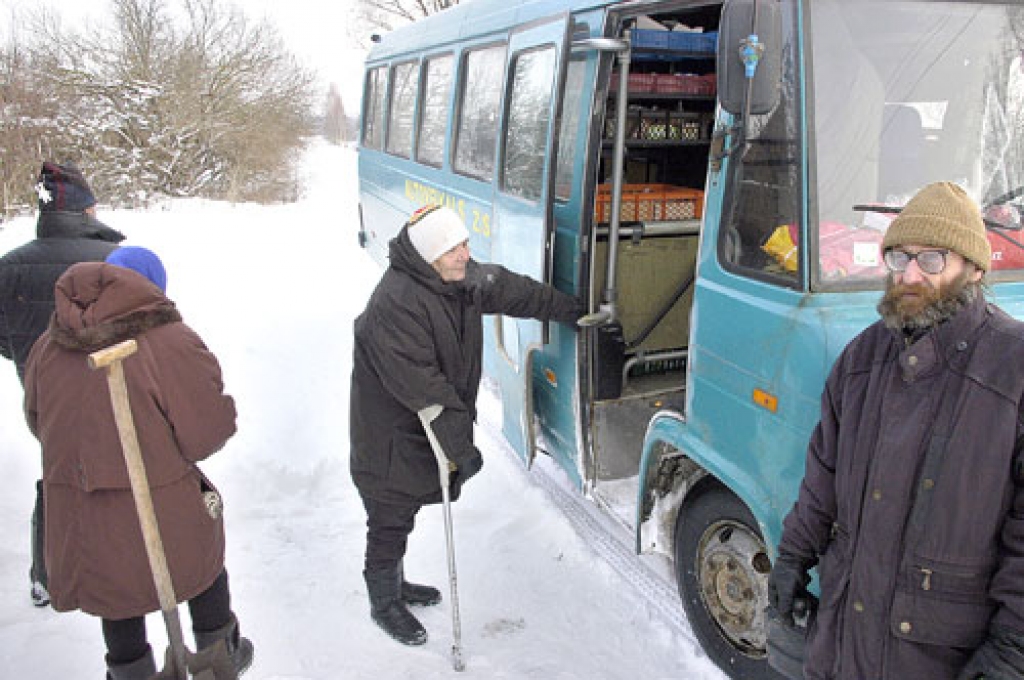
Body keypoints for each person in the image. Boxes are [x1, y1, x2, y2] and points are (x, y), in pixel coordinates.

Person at [767, 182, 1024, 679]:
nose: (909, 274)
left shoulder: (1012, 369)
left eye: (931, 259)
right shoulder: (861, 359)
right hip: (843, 641)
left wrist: (1013, 646)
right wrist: (793, 556)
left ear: (973, 268)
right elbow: (822, 478)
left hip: (937, 656)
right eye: (899, 256)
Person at [350, 205, 581, 646]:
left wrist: (571, 309)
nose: (465, 255)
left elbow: (512, 290)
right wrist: (462, 452)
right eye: (453, 249)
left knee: (403, 512)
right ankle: (384, 601)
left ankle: (396, 583)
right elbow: (431, 393)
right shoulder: (393, 306)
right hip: (389, 434)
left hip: (421, 428)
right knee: (389, 515)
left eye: (465, 244)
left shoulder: (456, 276)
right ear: (429, 256)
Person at [22, 247, 254, 679]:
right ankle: (218, 654)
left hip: (85, 510)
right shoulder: (169, 341)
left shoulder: (48, 346)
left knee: (115, 587)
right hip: (164, 501)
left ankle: (132, 672)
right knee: (200, 565)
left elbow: (39, 422)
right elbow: (205, 433)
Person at [0, 162, 126, 607]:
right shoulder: (115, 261)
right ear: (87, 210)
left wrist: (31, 362)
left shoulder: (9, 267)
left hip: (44, 393)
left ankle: (47, 575)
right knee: (119, 469)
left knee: (56, 471)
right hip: (110, 382)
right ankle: (118, 567)